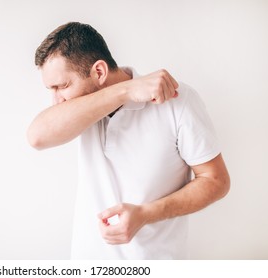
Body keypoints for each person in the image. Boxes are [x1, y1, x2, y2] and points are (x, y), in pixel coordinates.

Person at [27, 22, 230, 259]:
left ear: (99, 72)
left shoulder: (178, 100)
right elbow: (37, 137)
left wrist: (146, 214)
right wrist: (125, 91)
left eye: (61, 86)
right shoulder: (80, 110)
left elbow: (216, 181)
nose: (56, 100)